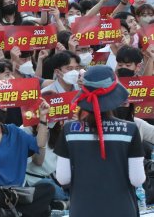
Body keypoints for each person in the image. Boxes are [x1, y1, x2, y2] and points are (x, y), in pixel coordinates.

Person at [55, 66, 146, 217]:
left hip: (82, 210)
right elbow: (137, 179)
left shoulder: (69, 130)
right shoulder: (130, 129)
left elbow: (63, 178)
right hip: (122, 209)